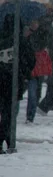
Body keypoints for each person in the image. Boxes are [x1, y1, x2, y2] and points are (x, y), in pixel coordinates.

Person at [0, 14, 35, 152]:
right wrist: (23, 73)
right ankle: (6, 137)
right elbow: (31, 60)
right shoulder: (21, 41)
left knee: (7, 112)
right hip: (12, 82)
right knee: (9, 112)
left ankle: (6, 137)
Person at [25, 18, 52, 123]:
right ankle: (30, 115)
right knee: (33, 93)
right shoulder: (28, 36)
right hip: (32, 69)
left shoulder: (41, 34)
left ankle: (30, 115)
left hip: (37, 68)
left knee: (35, 93)